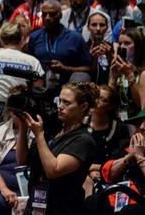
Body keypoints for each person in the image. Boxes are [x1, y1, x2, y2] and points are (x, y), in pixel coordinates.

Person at [21, 81, 98, 215]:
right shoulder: (53, 129)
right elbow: (22, 160)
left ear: (83, 106)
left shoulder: (84, 140)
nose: (60, 107)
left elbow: (53, 170)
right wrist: (22, 128)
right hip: (36, 204)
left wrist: (39, 135)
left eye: (67, 103)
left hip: (62, 208)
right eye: (60, 101)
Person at [0, 86, 34, 215]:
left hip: (28, 186)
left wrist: (23, 129)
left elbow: (24, 161)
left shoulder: (38, 132)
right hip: (0, 187)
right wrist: (4, 189)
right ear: (10, 111)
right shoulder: (1, 132)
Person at [0, 22, 44, 127]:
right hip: (19, 112)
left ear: (2, 39)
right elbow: (38, 92)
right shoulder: (33, 61)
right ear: (22, 39)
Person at [83, 108, 145, 215]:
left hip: (140, 202)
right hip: (117, 196)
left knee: (130, 212)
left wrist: (139, 157)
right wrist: (128, 157)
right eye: (139, 123)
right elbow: (107, 174)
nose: (142, 127)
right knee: (92, 203)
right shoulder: (126, 147)